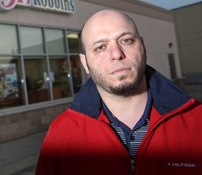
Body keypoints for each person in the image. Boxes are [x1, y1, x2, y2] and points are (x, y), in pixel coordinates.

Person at [35, 9, 202, 175]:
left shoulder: (197, 120)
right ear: (85, 63)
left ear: (142, 47)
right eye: (100, 47)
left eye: (126, 40)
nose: (116, 54)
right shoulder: (61, 135)